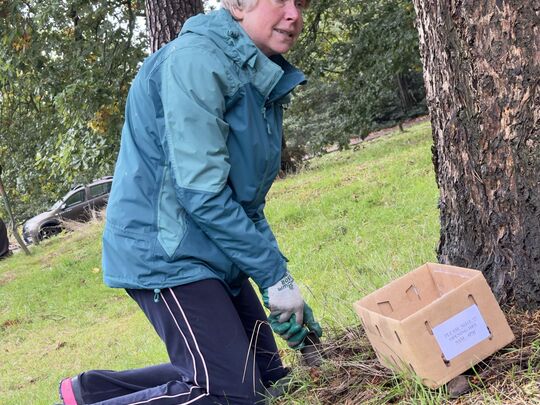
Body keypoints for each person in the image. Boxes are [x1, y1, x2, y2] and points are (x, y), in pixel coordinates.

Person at [58, 0, 322, 403]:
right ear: (237, 5)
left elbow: (245, 203)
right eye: (280, 0)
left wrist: (278, 280)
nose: (294, 14)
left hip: (211, 248)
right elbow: (203, 195)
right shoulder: (195, 64)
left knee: (269, 382)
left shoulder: (257, 76)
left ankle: (91, 392)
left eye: (300, 3)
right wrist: (272, 276)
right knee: (235, 397)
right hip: (167, 252)